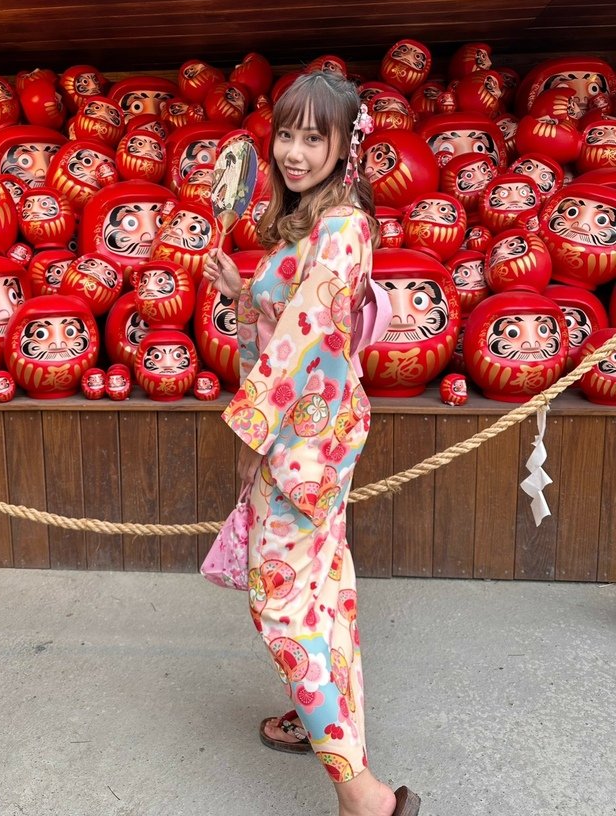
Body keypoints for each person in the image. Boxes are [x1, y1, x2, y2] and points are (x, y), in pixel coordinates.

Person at [203, 71, 420, 816]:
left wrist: (252, 434)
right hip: (311, 435)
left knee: (283, 608)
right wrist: (240, 294)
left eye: (313, 137)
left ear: (344, 146)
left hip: (300, 444)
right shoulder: (308, 226)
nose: (294, 152)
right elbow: (273, 332)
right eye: (286, 135)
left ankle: (362, 792)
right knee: (324, 590)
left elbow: (307, 341)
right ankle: (328, 723)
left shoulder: (341, 228)